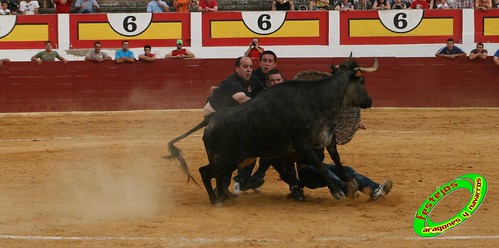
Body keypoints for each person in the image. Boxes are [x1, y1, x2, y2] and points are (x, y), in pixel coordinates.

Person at [295, 162, 393, 201]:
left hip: (318, 167)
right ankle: (346, 189)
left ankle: (374, 191)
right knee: (331, 173)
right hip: (308, 174)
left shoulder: (318, 131)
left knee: (347, 170)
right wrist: (295, 186)